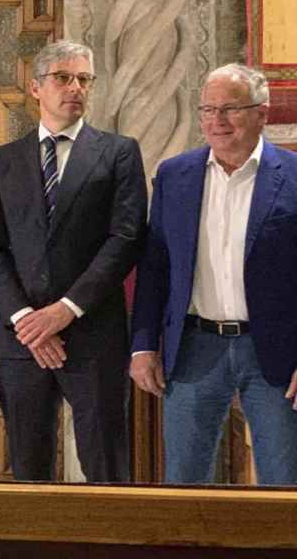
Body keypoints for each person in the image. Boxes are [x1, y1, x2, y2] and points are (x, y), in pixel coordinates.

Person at [0, 40, 147, 482]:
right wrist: (26, 319)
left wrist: (64, 311)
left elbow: (125, 238)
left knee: (106, 465)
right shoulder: (2, 160)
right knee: (29, 468)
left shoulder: (117, 152)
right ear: (36, 88)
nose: (76, 88)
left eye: (84, 80)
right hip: (22, 339)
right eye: (63, 78)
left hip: (92, 334)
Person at [131, 64, 297, 485]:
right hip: (194, 348)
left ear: (262, 113)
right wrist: (144, 345)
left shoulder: (293, 176)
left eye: (230, 109)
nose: (216, 121)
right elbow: (155, 267)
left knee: (284, 481)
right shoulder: (176, 175)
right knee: (183, 482)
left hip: (275, 353)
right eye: (207, 109)